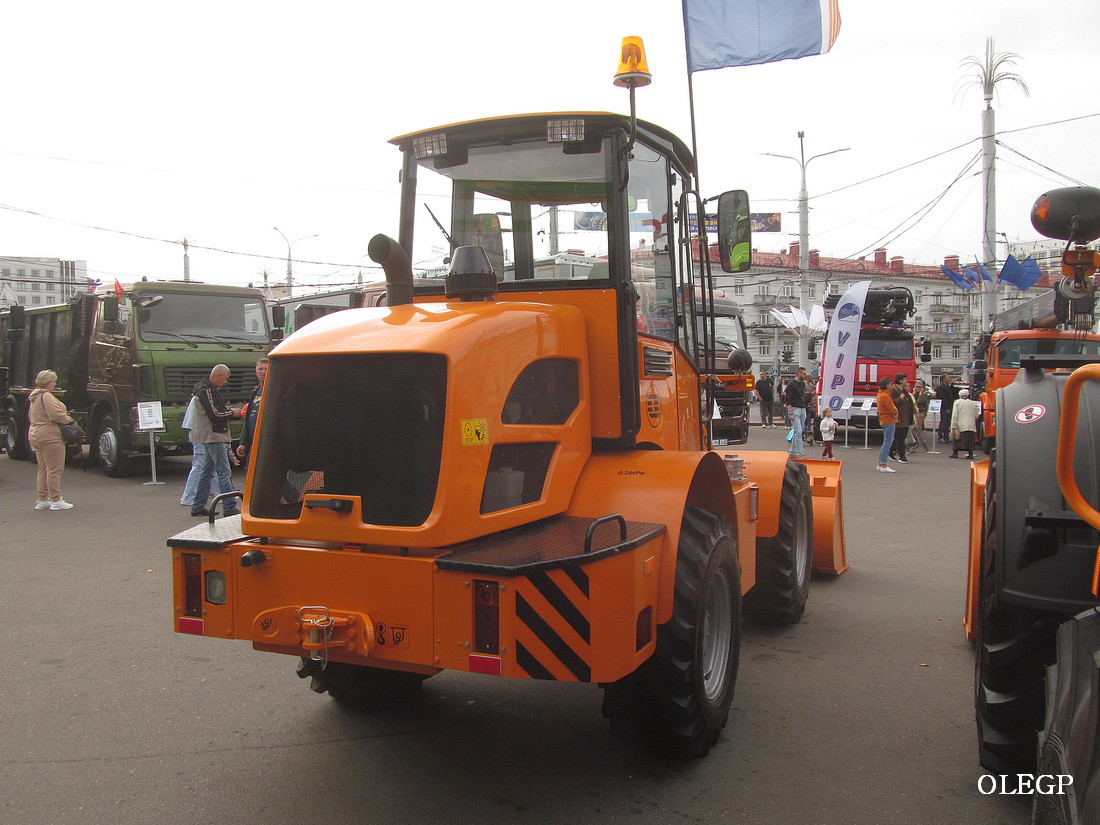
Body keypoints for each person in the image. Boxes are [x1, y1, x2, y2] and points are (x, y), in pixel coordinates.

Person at [190, 364, 243, 517]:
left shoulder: (203, 389)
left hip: (207, 435)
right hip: (214, 435)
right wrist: (232, 412)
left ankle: (198, 505)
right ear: (219, 375)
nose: (226, 382)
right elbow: (215, 414)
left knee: (207, 471)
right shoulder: (207, 391)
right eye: (226, 379)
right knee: (223, 471)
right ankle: (229, 505)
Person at [28, 369, 76, 510]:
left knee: (43, 468)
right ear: (49, 383)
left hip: (36, 433)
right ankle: (56, 499)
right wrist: (69, 419)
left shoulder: (34, 397)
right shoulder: (47, 396)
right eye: (54, 381)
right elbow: (56, 415)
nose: (55, 384)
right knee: (55, 469)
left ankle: (42, 499)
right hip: (49, 435)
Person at [236, 357, 269, 464]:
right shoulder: (256, 392)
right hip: (254, 445)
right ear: (256, 370)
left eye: (266, 369)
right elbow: (249, 420)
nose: (263, 372)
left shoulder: (273, 392)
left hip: (268, 444)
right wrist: (243, 443)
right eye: (260, 369)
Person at [784, 366, 810, 459]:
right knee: (798, 431)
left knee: (797, 432)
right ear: (799, 374)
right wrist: (790, 413)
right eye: (804, 374)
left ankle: (792, 452)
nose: (805, 376)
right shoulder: (791, 384)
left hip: (802, 408)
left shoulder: (803, 384)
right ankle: (800, 453)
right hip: (795, 409)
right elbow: (788, 399)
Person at [889, 373, 915, 464]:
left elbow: (909, 402)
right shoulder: (894, 390)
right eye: (905, 379)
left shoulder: (904, 390)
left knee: (901, 436)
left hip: (906, 417)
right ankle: (902, 456)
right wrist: (900, 398)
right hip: (898, 417)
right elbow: (891, 402)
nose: (906, 381)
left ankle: (890, 451)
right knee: (899, 437)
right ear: (900, 381)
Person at [949, 388, 981, 459]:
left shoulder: (957, 402)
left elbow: (955, 415)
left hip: (961, 425)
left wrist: (953, 425)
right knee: (970, 440)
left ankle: (955, 453)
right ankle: (970, 453)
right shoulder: (973, 403)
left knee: (958, 439)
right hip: (971, 425)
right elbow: (977, 415)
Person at [876, 376, 899, 473]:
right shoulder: (886, 396)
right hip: (889, 420)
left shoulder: (880, 394)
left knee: (886, 441)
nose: (892, 385)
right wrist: (896, 411)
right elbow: (892, 410)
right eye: (890, 384)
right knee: (888, 442)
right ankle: (883, 463)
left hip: (884, 420)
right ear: (886, 385)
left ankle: (881, 463)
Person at [909, 379, 932, 452]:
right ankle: (918, 446)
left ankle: (920, 446)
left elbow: (919, 401)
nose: (917, 388)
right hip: (915, 412)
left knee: (917, 431)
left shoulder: (925, 395)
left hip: (921, 413)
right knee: (914, 430)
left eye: (919, 387)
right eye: (916, 386)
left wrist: (920, 394)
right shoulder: (914, 394)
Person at [935, 375, 957, 444]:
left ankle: (946, 436)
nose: (949, 379)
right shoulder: (941, 388)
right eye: (948, 378)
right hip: (944, 408)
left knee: (948, 422)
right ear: (943, 379)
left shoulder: (948, 387)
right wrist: (946, 407)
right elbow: (943, 398)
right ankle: (940, 436)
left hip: (949, 407)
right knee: (943, 422)